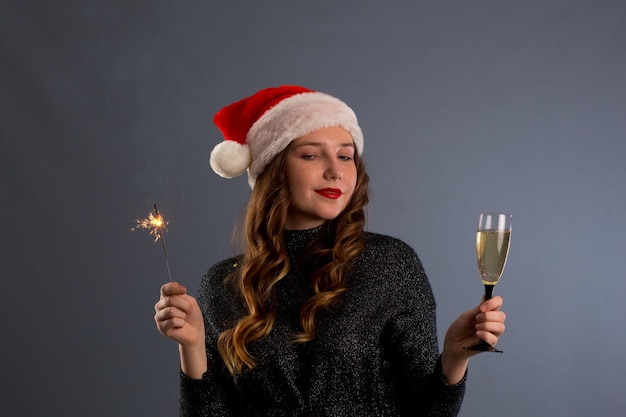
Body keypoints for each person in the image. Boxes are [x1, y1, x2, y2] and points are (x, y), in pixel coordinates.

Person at [154, 85, 506, 417]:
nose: (335, 171)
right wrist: (193, 347)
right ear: (273, 169)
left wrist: (454, 359)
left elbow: (426, 411)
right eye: (311, 155)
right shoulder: (222, 284)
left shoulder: (389, 264)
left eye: (346, 155)